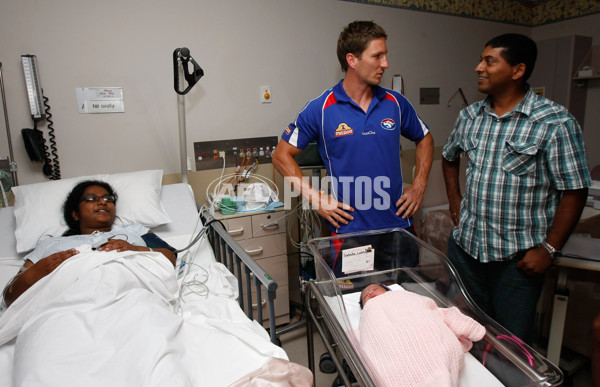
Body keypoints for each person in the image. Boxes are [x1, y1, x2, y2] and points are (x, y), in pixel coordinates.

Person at [442, 33, 591, 343]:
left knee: (512, 343)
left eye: (489, 61)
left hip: (517, 261)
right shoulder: (469, 117)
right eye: (481, 60)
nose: (478, 67)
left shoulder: (554, 122)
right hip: (467, 250)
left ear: (518, 70)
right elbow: (449, 158)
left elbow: (574, 190)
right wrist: (455, 201)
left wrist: (549, 249)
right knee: (470, 332)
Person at [272, 20, 433, 277]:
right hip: (352, 234)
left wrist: (419, 184)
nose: (386, 64)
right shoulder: (322, 108)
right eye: (377, 56)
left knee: (407, 305)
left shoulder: (395, 103)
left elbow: (424, 138)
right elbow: (281, 156)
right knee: (355, 307)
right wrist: (315, 199)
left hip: (399, 230)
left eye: (385, 55)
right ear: (352, 59)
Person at [2, 180, 177, 306]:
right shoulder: (49, 245)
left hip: (132, 298)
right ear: (75, 214)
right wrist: (37, 272)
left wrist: (135, 249)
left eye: (108, 199)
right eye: (92, 198)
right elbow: (10, 296)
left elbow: (171, 256)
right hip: (65, 307)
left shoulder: (134, 230)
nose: (103, 201)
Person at [356, 283, 485, 386]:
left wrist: (468, 327)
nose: (370, 292)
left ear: (388, 292)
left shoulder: (404, 296)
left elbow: (438, 312)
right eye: (366, 296)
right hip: (394, 350)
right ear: (363, 307)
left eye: (375, 289)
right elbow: (367, 341)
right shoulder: (367, 315)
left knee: (434, 357)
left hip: (426, 338)